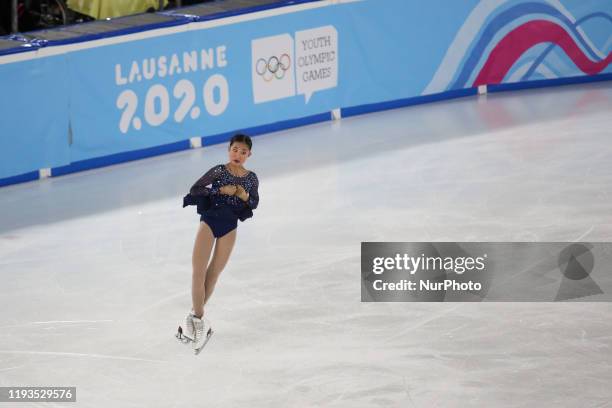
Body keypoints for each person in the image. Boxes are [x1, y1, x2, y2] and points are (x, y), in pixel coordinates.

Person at [181, 133, 259, 351]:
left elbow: (254, 202)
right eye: (235, 149)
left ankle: (194, 318)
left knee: (213, 273)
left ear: (249, 155)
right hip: (209, 222)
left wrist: (244, 196)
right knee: (198, 272)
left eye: (243, 152)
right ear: (229, 150)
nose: (238, 154)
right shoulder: (219, 171)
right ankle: (198, 321)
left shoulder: (251, 178)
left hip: (229, 227)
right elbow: (196, 189)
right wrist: (219, 190)